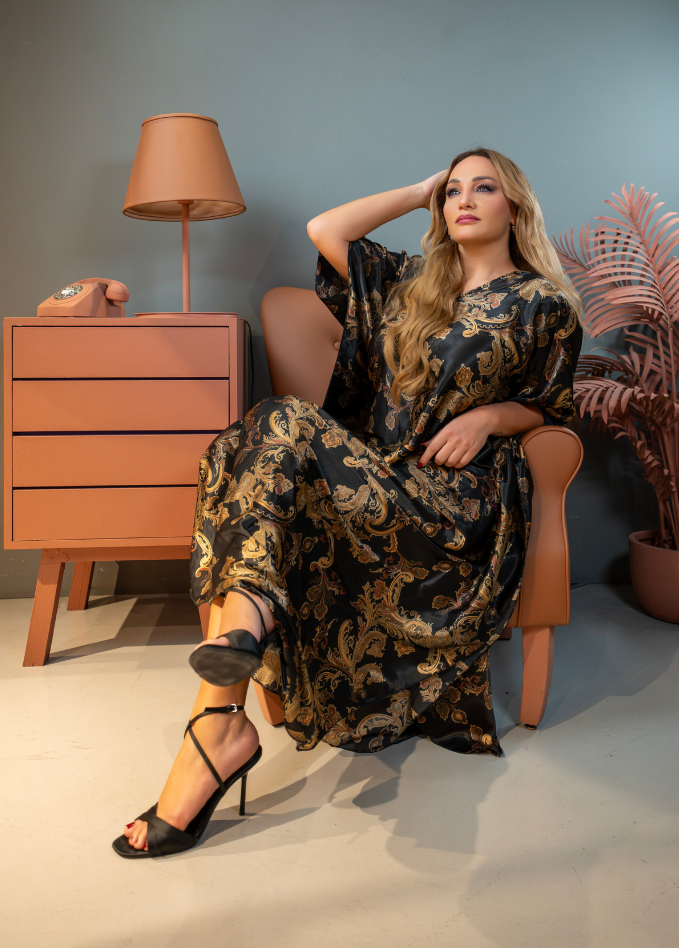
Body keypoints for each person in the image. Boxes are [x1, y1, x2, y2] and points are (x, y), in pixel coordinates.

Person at [115, 147, 583, 858]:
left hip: (452, 509)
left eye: (482, 188)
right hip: (373, 481)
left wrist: (489, 418)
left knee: (281, 421)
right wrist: (423, 187)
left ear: (513, 204)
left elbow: (551, 407)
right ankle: (225, 696)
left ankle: (225, 698)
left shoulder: (542, 301)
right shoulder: (411, 285)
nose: (463, 200)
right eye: (452, 191)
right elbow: (325, 228)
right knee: (262, 434)